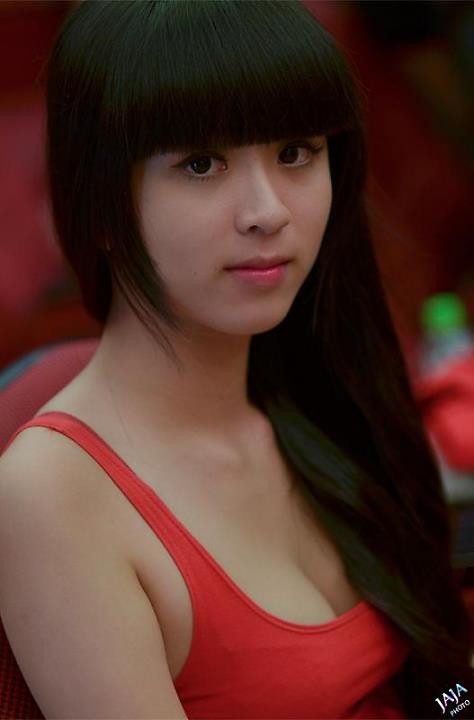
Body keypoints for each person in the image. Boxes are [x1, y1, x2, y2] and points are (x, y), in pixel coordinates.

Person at [0, 1, 472, 718]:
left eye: (295, 152)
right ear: (98, 203)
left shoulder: (322, 386)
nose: (267, 211)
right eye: (201, 164)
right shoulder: (51, 499)